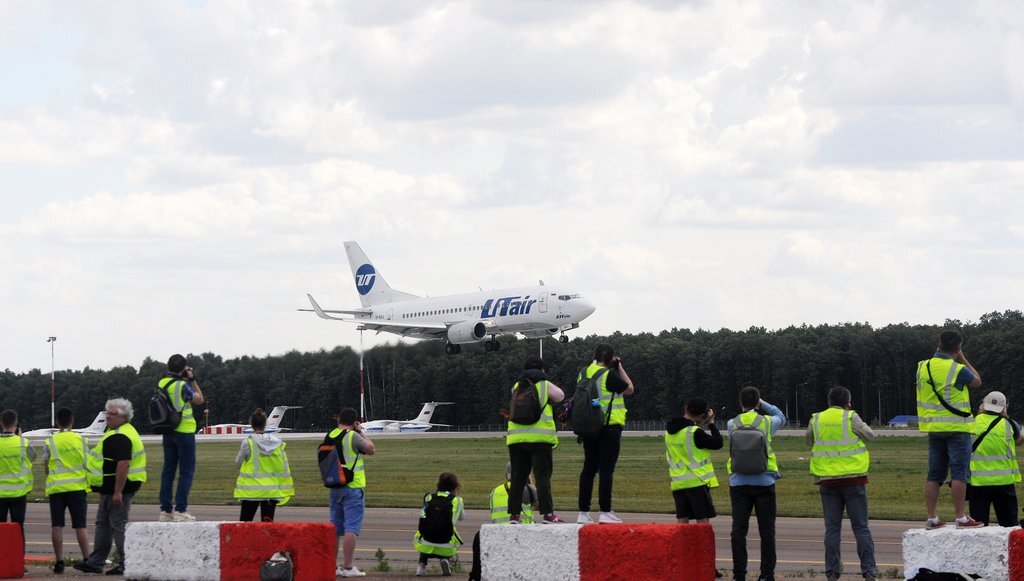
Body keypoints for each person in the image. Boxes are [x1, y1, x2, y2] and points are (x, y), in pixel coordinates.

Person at [806, 387, 877, 581]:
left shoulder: (817, 419)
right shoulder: (850, 417)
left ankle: (832, 572)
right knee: (861, 527)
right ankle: (869, 571)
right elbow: (869, 435)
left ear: (829, 401)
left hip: (827, 481)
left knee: (832, 529)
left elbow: (809, 441)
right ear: (848, 402)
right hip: (853, 479)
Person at [916, 329, 984, 529]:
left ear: (939, 344)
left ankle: (931, 518)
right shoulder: (957, 369)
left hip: (934, 427)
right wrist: (963, 358)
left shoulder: (923, 366)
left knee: (934, 474)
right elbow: (977, 381)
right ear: (958, 348)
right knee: (959, 473)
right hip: (957, 427)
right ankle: (960, 517)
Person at [74, 398, 146, 576]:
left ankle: (127, 563)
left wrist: (118, 492)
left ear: (124, 417)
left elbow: (123, 464)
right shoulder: (117, 432)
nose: (108, 416)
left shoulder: (121, 436)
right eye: (108, 412)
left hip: (119, 487)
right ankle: (96, 562)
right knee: (103, 524)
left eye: (113, 414)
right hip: (111, 486)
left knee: (117, 525)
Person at [727, 386, 785, 581]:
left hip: (739, 482)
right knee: (767, 531)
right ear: (757, 402)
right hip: (764, 481)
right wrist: (763, 404)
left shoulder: (732, 423)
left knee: (738, 531)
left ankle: (739, 574)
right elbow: (781, 416)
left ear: (740, 403)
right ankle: (766, 574)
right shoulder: (767, 422)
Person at [576, 343, 634, 524]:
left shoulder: (583, 373)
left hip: (589, 427)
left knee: (588, 469)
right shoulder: (608, 375)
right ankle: (605, 511)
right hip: (609, 427)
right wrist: (619, 367)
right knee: (606, 470)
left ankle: (583, 512)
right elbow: (629, 389)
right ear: (610, 359)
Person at [506, 356, 565, 524]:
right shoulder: (545, 385)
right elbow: (560, 396)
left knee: (517, 478)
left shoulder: (517, 386)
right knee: (542, 477)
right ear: (542, 370)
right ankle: (548, 514)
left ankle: (514, 515)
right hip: (540, 439)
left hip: (516, 439)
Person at [325, 407, 375, 578]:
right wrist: (360, 431)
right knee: (351, 527)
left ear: (339, 420)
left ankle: (332, 566)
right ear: (354, 423)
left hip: (334, 485)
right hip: (353, 486)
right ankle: (348, 567)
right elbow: (371, 449)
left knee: (335, 528)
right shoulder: (352, 436)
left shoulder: (330, 435)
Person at [468, 463, 540, 581]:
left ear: (506, 475)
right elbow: (541, 506)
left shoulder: (495, 491)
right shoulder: (527, 490)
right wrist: (531, 482)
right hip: (522, 538)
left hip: (499, 537)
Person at [43, 407, 91, 574]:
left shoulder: (50, 441)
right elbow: (88, 462)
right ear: (72, 421)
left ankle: (59, 562)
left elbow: (46, 467)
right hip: (77, 487)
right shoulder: (81, 440)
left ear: (57, 422)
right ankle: (87, 559)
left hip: (57, 488)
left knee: (57, 525)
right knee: (80, 526)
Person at [158, 353, 204, 522]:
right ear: (183, 368)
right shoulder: (182, 385)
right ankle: (181, 509)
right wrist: (192, 379)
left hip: (168, 430)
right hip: (184, 430)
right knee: (186, 471)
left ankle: (165, 510)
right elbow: (199, 399)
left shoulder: (162, 383)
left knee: (168, 470)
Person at [968, 391, 1024, 527]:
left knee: (979, 526)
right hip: (1004, 481)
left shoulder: (972, 423)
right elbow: (1018, 440)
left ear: (984, 405)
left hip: (978, 482)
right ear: (1004, 407)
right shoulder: (1010, 424)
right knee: (1009, 525)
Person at [666, 397, 723, 524]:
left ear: (686, 408)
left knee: (682, 517)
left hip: (678, 482)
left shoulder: (670, 431)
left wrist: (699, 423)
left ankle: (682, 538)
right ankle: (703, 538)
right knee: (702, 518)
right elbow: (717, 443)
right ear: (703, 415)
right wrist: (711, 423)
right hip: (696, 482)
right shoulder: (694, 432)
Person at [234, 408, 294, 522]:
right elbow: (283, 465)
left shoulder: (248, 442)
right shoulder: (278, 443)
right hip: (271, 491)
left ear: (252, 424)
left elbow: (238, 462)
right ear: (265, 424)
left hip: (251, 491)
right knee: (267, 526)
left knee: (245, 524)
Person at [413, 472, 465, 577]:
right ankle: (445, 559)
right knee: (450, 531)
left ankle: (421, 565)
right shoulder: (457, 501)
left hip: (424, 543)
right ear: (455, 486)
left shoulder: (429, 497)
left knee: (428, 530)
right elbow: (462, 517)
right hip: (447, 545)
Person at [0, 409, 36, 554]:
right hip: (19, 492)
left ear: (1, 423)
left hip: (0, 494)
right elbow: (33, 457)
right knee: (18, 526)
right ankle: (19, 559)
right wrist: (19, 437)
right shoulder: (23, 443)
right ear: (16, 423)